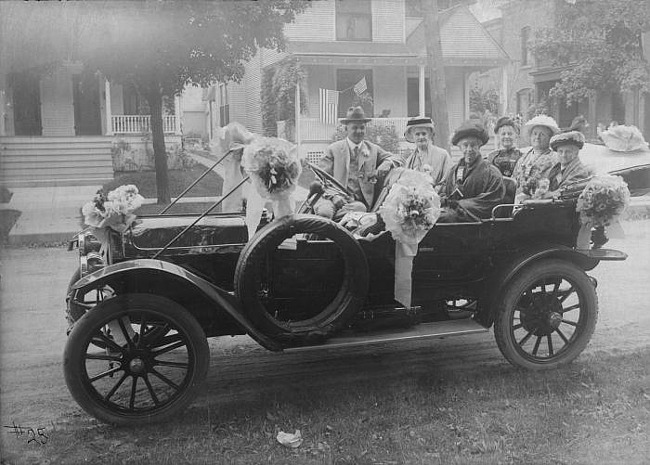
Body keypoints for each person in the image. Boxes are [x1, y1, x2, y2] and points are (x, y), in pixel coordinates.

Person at [319, 106, 403, 211]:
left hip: (359, 203)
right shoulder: (333, 150)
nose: (359, 131)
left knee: (360, 208)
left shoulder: (372, 149)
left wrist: (387, 163)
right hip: (333, 198)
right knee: (325, 213)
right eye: (354, 127)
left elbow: (398, 158)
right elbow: (320, 178)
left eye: (362, 127)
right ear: (346, 128)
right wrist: (334, 196)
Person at [438, 120, 505, 222]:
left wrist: (458, 205)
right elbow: (443, 191)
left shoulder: (492, 173)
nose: (469, 149)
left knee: (439, 219)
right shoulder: (454, 170)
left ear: (479, 146)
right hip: (452, 213)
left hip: (472, 221)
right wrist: (443, 200)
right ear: (460, 147)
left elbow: (490, 202)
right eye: (465, 145)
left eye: (473, 145)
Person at [513, 115, 560, 200]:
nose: (537, 137)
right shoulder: (523, 159)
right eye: (535, 133)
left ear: (550, 138)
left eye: (542, 134)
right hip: (519, 203)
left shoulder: (556, 159)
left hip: (543, 204)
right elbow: (514, 182)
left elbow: (557, 187)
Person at [403, 116, 452, 189]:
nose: (421, 137)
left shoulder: (443, 155)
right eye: (417, 134)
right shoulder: (409, 160)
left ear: (429, 135)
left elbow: (449, 181)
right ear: (413, 136)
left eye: (424, 133)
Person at [542, 130, 592, 198]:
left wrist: (545, 195)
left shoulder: (579, 171)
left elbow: (566, 191)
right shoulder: (556, 169)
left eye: (568, 152)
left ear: (576, 153)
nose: (563, 155)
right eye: (560, 151)